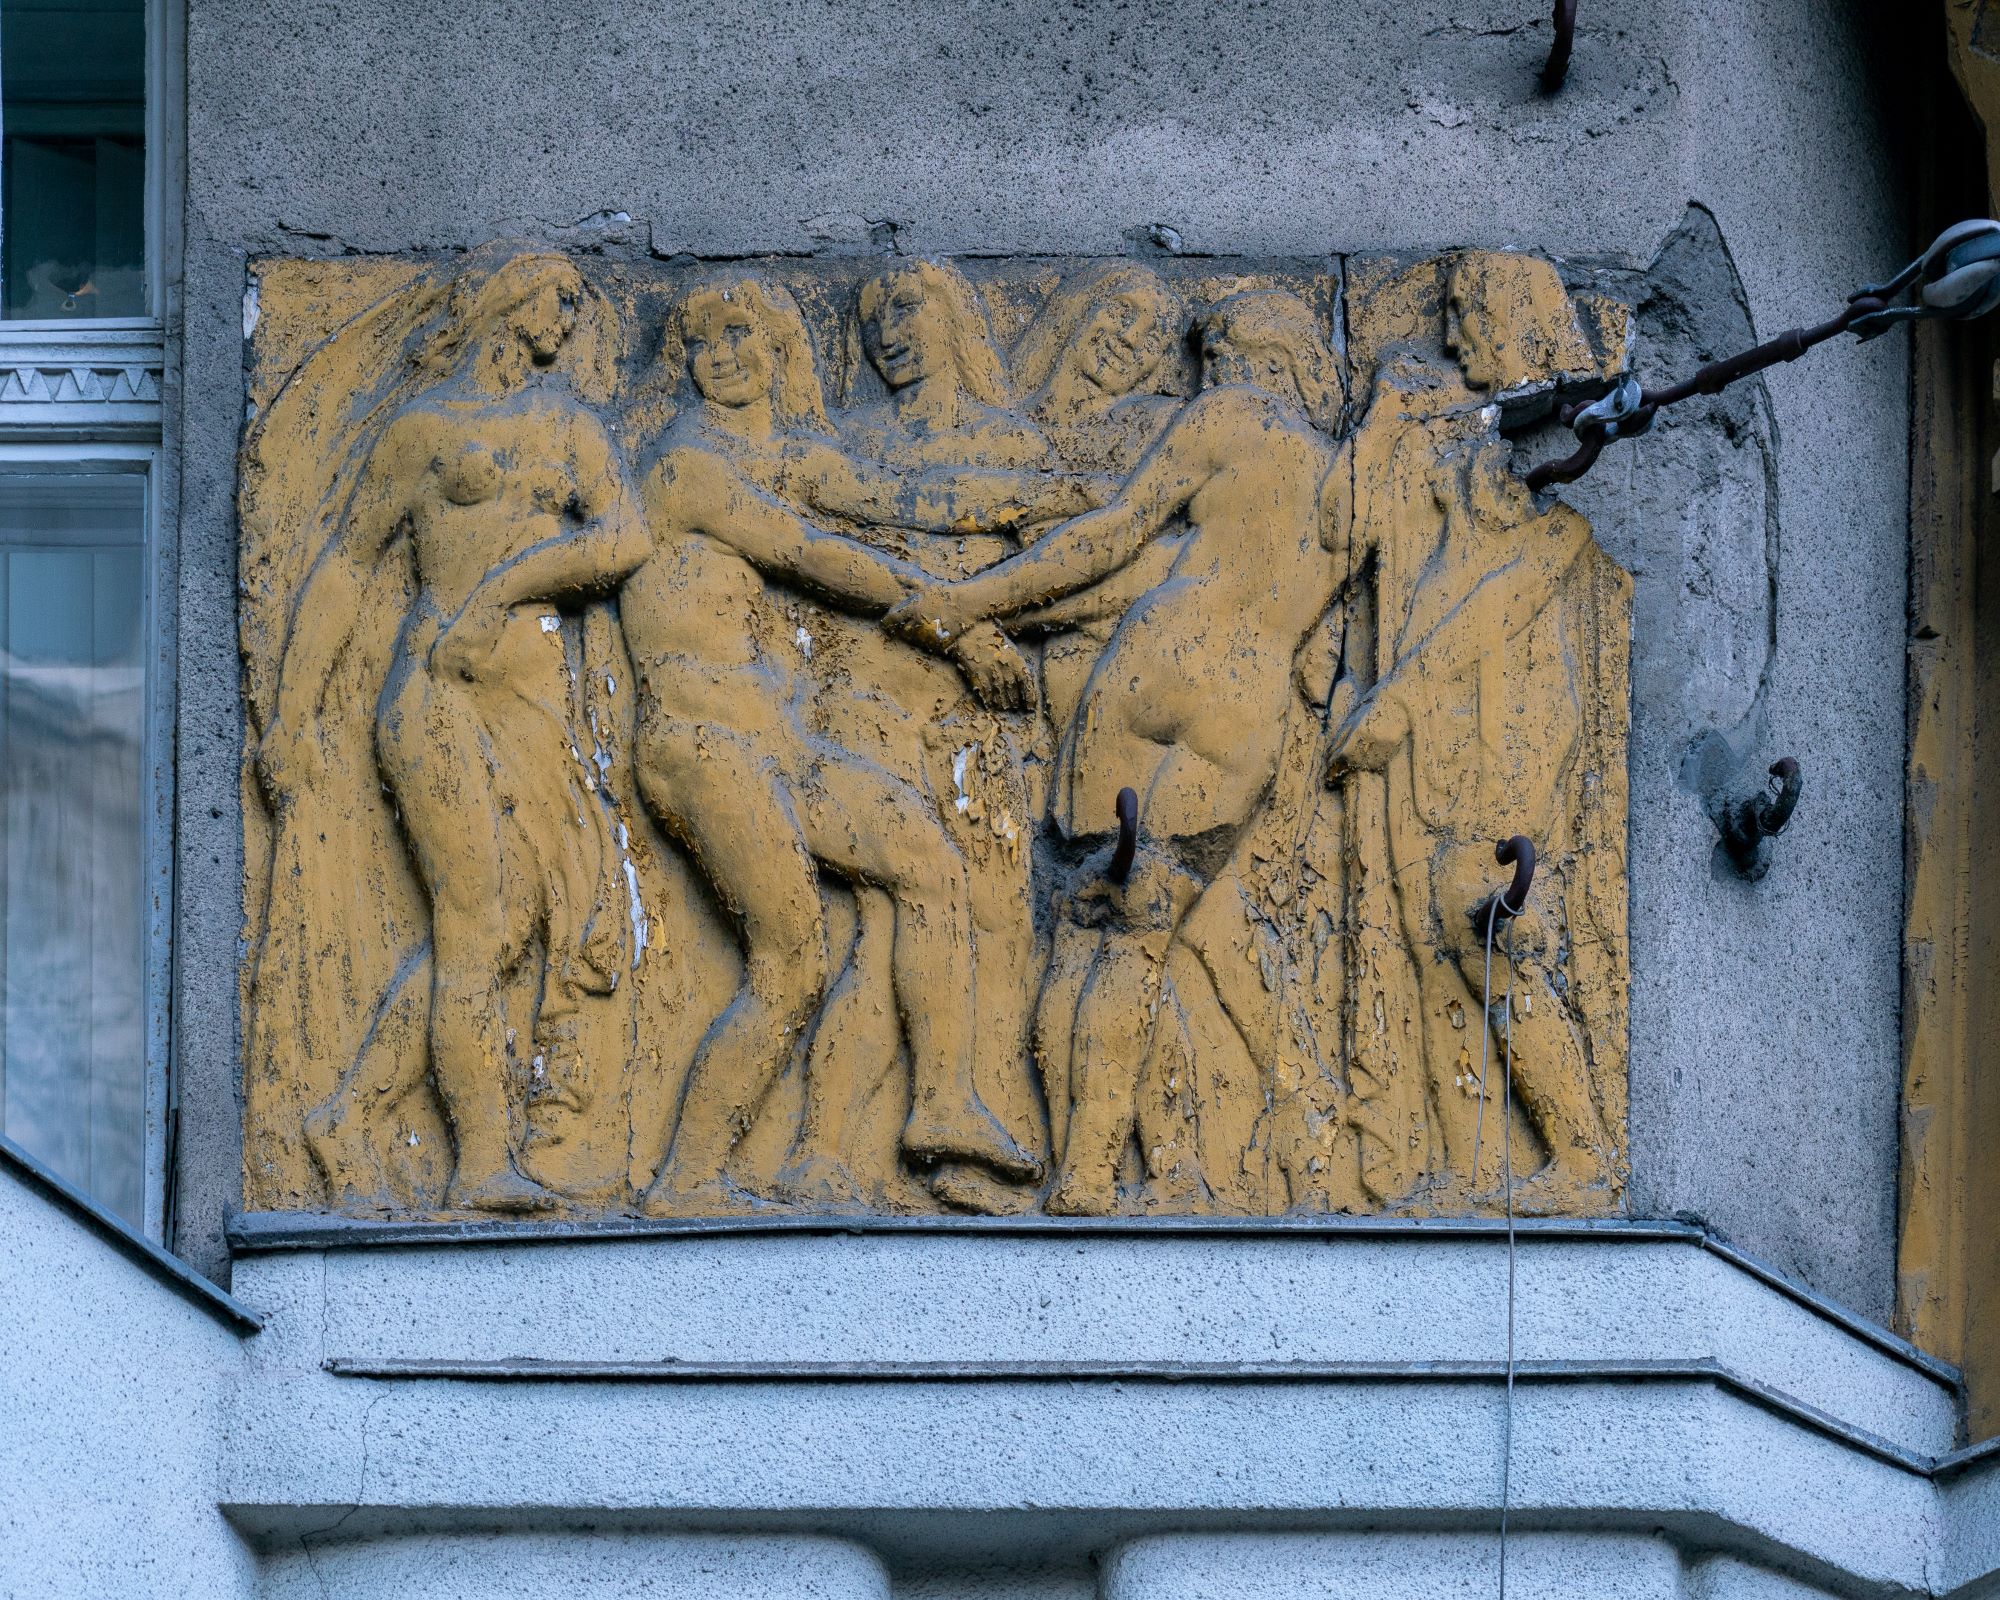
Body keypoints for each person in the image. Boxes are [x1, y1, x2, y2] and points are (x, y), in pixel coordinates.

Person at [622, 272, 1097, 1210]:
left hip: (780, 745)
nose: (723, 357)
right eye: (701, 345)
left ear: (780, 348)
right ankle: (687, 1180)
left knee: (928, 862)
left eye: (740, 336)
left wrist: (1059, 497)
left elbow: (900, 497)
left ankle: (943, 1101)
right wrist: (959, 623)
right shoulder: (684, 468)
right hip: (702, 745)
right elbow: (809, 552)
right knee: (791, 958)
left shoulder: (782, 455)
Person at [883, 288, 1349, 1215]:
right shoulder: (1352, 480)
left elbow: (1115, 538)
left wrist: (973, 602)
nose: (1207, 376)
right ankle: (1104, 1174)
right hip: (1247, 709)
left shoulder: (1229, 416)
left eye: (1214, 358)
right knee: (1143, 940)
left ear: (1245, 361)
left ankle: (1073, 1172)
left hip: (1155, 666)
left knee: (1081, 930)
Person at [258, 251, 650, 1212]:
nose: (565, 322)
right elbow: (348, 566)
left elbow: (627, 539)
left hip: (532, 699)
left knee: (508, 925)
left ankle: (349, 1114)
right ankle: (480, 1160)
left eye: (572, 307)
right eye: (555, 300)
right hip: (435, 691)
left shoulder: (569, 428)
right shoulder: (425, 431)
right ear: (508, 302)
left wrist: (511, 584)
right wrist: (291, 713)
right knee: (477, 921)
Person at [1327, 250, 1619, 1206]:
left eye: (1466, 314)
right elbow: (1352, 531)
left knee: (1488, 919)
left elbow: (1515, 583)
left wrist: (1396, 700)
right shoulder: (1448, 424)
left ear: (1512, 313)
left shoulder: (1551, 441)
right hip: (1449, 738)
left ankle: (1579, 1155)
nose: (1453, 336)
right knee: (1435, 937)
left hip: (1513, 728)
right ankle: (1468, 1166)